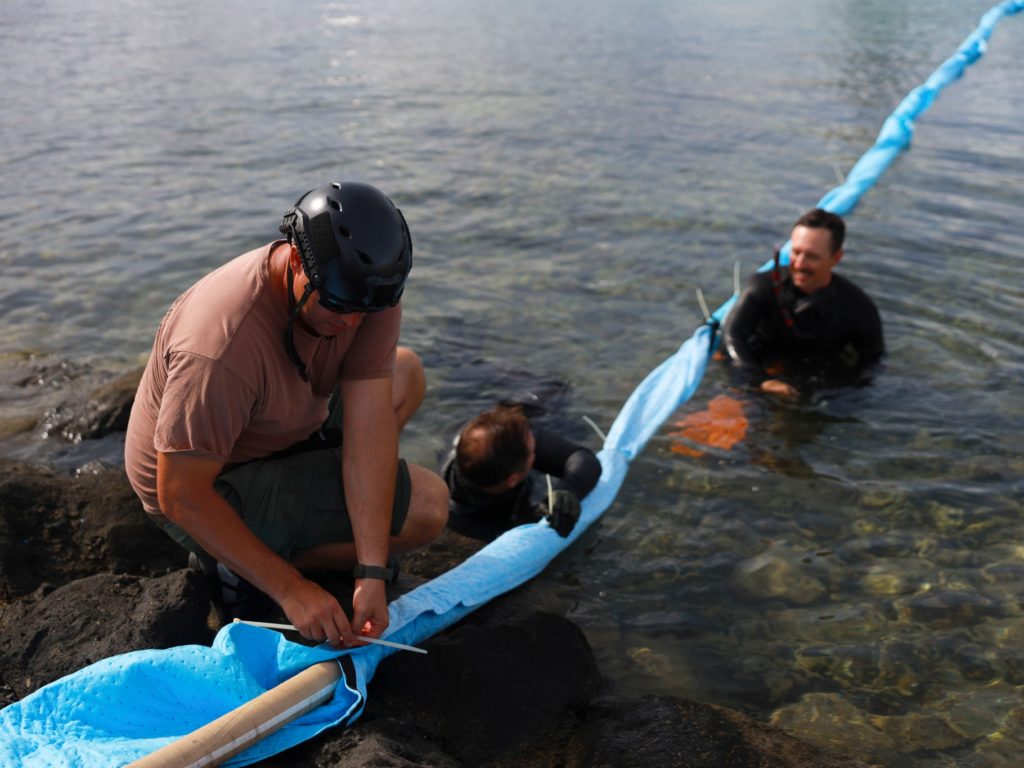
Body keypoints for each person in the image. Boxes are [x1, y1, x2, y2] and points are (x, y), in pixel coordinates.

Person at [125, 181, 449, 649]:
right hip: (207, 487)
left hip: (277, 426)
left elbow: (370, 430)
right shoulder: (221, 347)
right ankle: (234, 561)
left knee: (406, 373)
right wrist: (292, 590)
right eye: (338, 307)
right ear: (296, 259)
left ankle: (311, 523)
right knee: (427, 507)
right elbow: (179, 493)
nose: (352, 324)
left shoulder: (362, 289)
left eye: (369, 310)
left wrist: (371, 571)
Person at [722, 208, 884, 397]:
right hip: (759, 367)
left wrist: (833, 393)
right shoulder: (763, 286)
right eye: (796, 252)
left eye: (812, 257)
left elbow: (873, 361)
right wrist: (761, 381)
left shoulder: (858, 307)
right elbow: (732, 335)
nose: (799, 264)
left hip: (815, 380)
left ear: (836, 258)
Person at [441, 403, 602, 541]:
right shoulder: (464, 514)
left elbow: (584, 460)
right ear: (513, 480)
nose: (536, 448)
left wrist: (568, 490)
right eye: (533, 452)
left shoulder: (501, 438)